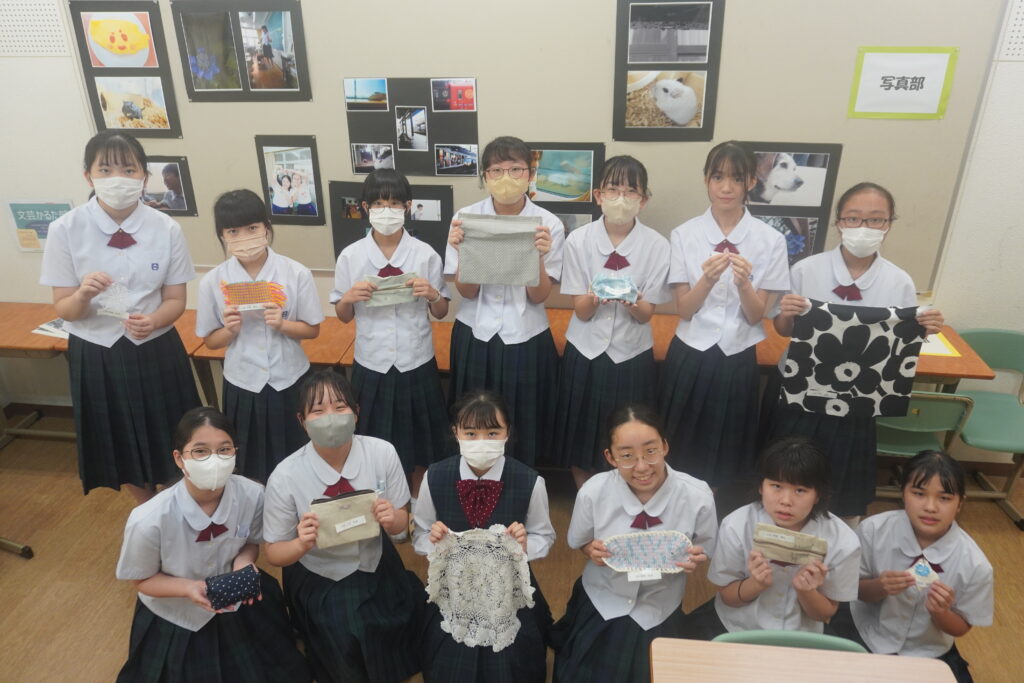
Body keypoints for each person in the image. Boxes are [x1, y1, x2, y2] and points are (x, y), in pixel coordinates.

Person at [764, 182, 945, 520]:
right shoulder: (806, 269)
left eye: (876, 219)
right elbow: (783, 330)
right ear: (839, 222)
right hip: (800, 389)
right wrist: (786, 313)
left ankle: (840, 536)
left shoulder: (899, 281)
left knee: (841, 479)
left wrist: (924, 327)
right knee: (789, 469)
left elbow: (899, 346)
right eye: (853, 218)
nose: (864, 227)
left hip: (860, 397)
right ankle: (779, 527)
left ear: (889, 224)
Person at [40, 130, 200, 504]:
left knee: (176, 432)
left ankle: (184, 503)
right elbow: (64, 308)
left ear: (144, 175)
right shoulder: (65, 229)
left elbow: (176, 298)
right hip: (97, 351)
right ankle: (147, 508)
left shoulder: (166, 228)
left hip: (155, 345)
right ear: (88, 176)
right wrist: (83, 294)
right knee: (118, 438)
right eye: (106, 169)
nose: (118, 178)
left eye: (129, 169)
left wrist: (156, 320)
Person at [115, 407, 310, 682]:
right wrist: (188, 588)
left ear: (235, 452)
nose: (214, 459)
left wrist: (243, 563)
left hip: (239, 597)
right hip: (177, 611)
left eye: (224, 449)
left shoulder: (253, 494)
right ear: (179, 458)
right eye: (200, 451)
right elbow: (142, 580)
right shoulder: (148, 519)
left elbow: (250, 542)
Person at [263, 369, 423, 683]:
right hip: (320, 572)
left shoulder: (382, 452)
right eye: (318, 411)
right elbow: (274, 553)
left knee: (399, 621)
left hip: (374, 558)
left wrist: (393, 519)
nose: (330, 418)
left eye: (340, 407)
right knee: (345, 634)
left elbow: (402, 527)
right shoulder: (284, 476)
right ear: (302, 421)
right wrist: (300, 543)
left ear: (356, 413)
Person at [657, 141, 790, 492]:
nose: (726, 187)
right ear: (706, 180)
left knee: (723, 446)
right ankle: (673, 503)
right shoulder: (684, 234)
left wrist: (744, 283)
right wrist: (707, 279)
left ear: (752, 182)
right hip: (690, 351)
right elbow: (684, 310)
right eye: (718, 177)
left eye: (737, 178)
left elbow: (756, 315)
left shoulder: (771, 240)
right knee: (678, 437)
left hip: (737, 354)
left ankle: (709, 506)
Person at [551, 404, 717, 683]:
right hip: (603, 596)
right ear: (610, 457)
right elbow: (579, 541)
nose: (642, 467)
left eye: (651, 451)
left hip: (660, 605)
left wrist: (696, 558)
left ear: (665, 446)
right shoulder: (593, 491)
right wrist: (590, 550)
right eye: (627, 455)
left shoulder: (697, 495)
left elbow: (706, 546)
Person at [413, 390, 556, 683]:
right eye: (471, 433)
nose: (482, 442)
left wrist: (525, 545)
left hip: (507, 589)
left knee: (515, 665)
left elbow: (545, 535)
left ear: (507, 433)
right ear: (455, 433)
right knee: (446, 664)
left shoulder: (530, 481)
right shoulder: (435, 476)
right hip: (455, 588)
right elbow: (420, 534)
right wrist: (433, 541)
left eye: (492, 433)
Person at [445, 135, 566, 465]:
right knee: (473, 416)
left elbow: (539, 296)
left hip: (526, 335)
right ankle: (473, 477)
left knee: (524, 419)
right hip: (476, 333)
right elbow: (467, 292)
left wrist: (539, 256)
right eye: (496, 170)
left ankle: (522, 481)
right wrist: (463, 251)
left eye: (516, 169)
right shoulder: (465, 218)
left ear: (530, 174)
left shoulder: (549, 224)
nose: (506, 178)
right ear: (485, 176)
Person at [553, 156, 670, 489]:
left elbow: (646, 314)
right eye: (613, 189)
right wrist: (593, 297)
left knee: (630, 435)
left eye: (630, 191)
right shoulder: (578, 240)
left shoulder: (658, 246)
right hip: (585, 349)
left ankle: (624, 497)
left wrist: (633, 302)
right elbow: (581, 311)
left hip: (632, 353)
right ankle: (585, 496)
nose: (621, 198)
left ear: (643, 199)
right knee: (579, 432)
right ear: (598, 195)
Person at [331, 169, 449, 497]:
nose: (387, 210)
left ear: (407, 207)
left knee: (423, 440)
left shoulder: (425, 254)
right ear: (365, 207)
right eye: (379, 203)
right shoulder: (351, 256)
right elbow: (342, 316)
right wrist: (348, 298)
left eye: (395, 203)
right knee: (374, 441)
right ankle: (384, 501)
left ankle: (420, 500)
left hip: (416, 359)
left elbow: (441, 312)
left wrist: (433, 294)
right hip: (372, 362)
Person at [196, 189, 322, 483]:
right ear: (222, 235)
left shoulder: (295, 273)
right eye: (233, 231)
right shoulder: (213, 281)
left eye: (252, 228)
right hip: (244, 382)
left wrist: (283, 324)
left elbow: (312, 329)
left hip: (291, 379)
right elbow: (210, 341)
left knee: (300, 458)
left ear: (267, 227)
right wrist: (229, 330)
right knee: (251, 462)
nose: (244, 237)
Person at [848, 451, 992, 682]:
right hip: (865, 633)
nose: (930, 507)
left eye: (944, 498)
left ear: (960, 503)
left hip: (928, 650)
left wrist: (941, 612)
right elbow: (851, 589)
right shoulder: (873, 530)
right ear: (903, 493)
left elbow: (961, 628)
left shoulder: (975, 564)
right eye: (918, 494)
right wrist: (878, 587)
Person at [707, 437, 860, 634]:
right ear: (761, 486)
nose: (786, 501)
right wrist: (755, 584)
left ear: (818, 495)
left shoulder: (843, 541)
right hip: (737, 628)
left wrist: (806, 591)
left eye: (800, 490)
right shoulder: (736, 525)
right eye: (776, 486)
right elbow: (728, 597)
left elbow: (824, 614)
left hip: (803, 635)